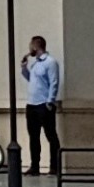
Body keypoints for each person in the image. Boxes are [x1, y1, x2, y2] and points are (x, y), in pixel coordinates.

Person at [22, 35, 62, 174]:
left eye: (30, 45)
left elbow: (54, 82)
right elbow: (31, 80)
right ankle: (35, 166)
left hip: (44, 104)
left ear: (35, 46)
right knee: (34, 137)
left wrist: (50, 101)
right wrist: (24, 69)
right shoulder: (35, 64)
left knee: (51, 135)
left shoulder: (50, 62)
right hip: (32, 104)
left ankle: (54, 167)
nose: (29, 49)